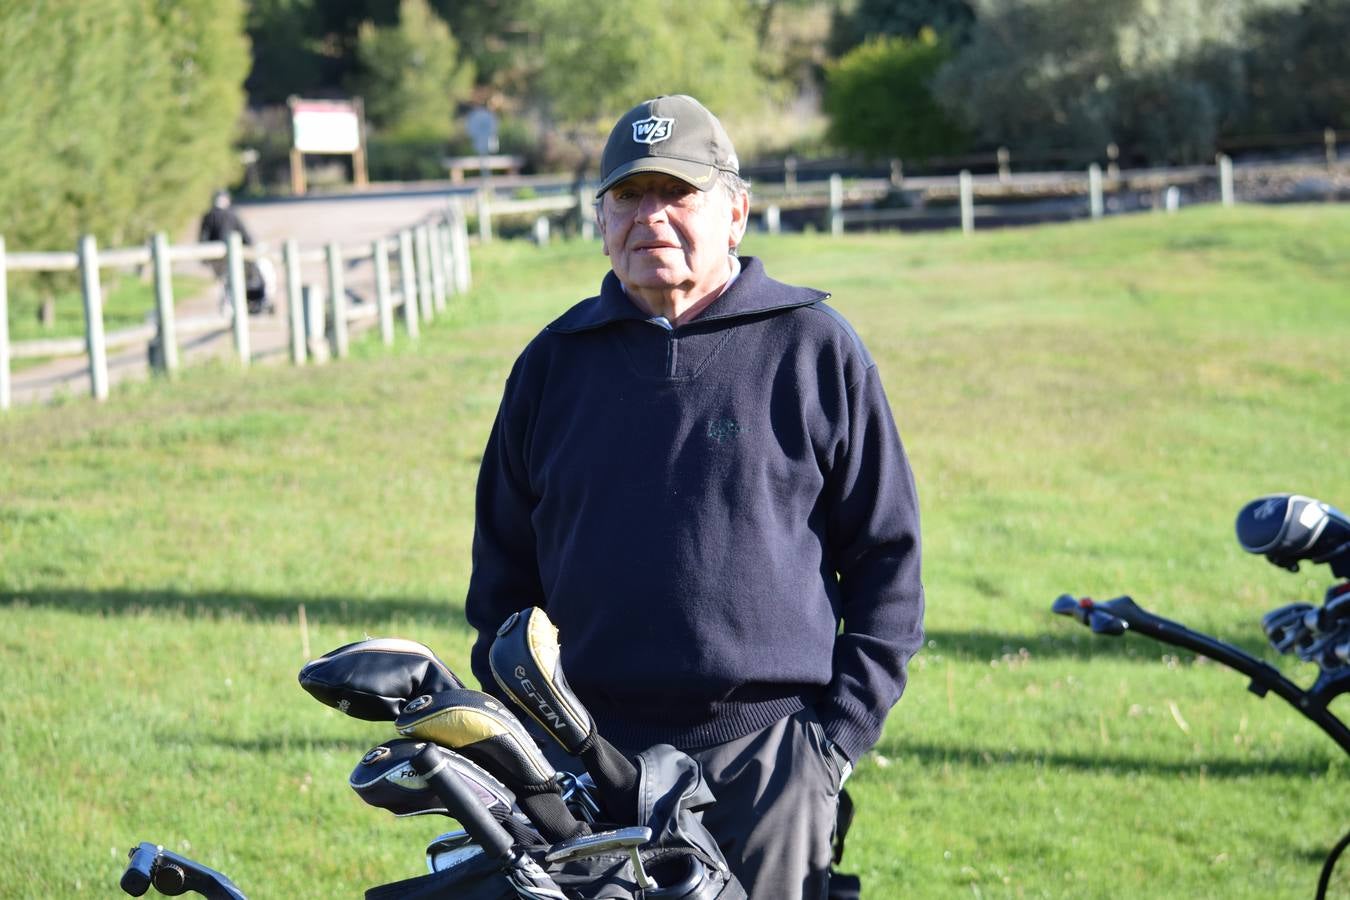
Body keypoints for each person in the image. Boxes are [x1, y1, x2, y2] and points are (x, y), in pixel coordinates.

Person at [464, 94, 924, 900]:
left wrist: (833, 743)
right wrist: (543, 744)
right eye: (628, 197)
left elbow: (889, 560)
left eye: (676, 194)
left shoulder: (815, 350)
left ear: (735, 213)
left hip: (772, 757)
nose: (650, 218)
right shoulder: (553, 365)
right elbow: (503, 583)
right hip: (587, 755)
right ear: (601, 221)